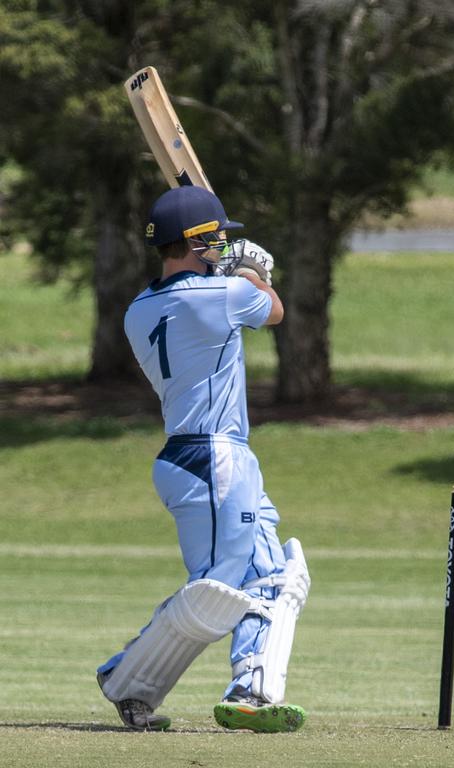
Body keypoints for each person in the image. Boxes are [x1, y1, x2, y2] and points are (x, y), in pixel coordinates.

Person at [96, 186, 310, 733]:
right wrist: (253, 270)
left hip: (188, 455)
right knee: (218, 591)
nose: (225, 246)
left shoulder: (138, 309)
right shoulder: (222, 295)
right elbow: (275, 309)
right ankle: (128, 680)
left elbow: (210, 294)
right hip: (216, 456)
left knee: (276, 576)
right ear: (199, 241)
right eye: (219, 238)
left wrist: (231, 270)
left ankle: (253, 687)